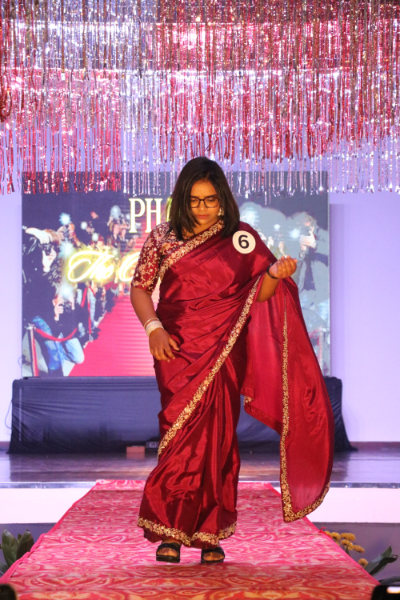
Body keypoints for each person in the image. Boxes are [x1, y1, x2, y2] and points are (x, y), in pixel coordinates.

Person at [130, 157, 334, 565]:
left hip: (224, 349)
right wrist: (154, 329)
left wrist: (274, 274)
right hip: (176, 349)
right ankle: (169, 530)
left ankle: (210, 532)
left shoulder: (241, 238)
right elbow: (140, 288)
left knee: (219, 439)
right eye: (195, 200)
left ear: (223, 199)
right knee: (179, 437)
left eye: (211, 200)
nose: (203, 208)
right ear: (182, 200)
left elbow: (258, 294)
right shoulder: (163, 238)